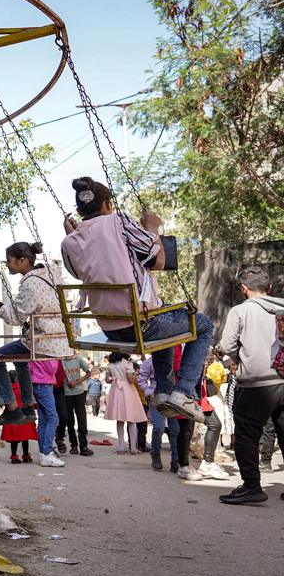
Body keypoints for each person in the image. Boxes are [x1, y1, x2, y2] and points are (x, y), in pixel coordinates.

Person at [61, 177, 215, 423]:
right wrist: (152, 228)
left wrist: (75, 234)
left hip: (111, 330)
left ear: (79, 212)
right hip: (142, 325)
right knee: (204, 325)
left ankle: (164, 392)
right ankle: (184, 392)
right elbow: (158, 261)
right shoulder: (118, 220)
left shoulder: (69, 242)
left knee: (164, 317)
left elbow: (81, 270)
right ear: (108, 205)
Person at [0, 242, 73, 426]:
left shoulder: (30, 284)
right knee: (20, 358)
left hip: (42, 341)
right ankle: (28, 406)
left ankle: (11, 406)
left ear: (23, 261)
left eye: (9, 261)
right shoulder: (51, 271)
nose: (7, 264)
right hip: (59, 339)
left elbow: (15, 318)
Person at [217, 266, 284, 504]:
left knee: (246, 434)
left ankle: (252, 486)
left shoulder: (240, 311)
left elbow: (227, 345)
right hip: (283, 379)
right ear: (270, 288)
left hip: (255, 382)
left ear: (244, 289)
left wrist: (239, 359)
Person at [139, 355, 180, 471]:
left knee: (174, 430)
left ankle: (175, 460)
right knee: (159, 427)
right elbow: (142, 379)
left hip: (173, 396)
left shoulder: (175, 358)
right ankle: (155, 454)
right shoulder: (149, 361)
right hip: (156, 396)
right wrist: (149, 393)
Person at [104, 352, 147, 454]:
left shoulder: (110, 365)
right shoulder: (127, 363)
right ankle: (133, 448)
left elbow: (107, 380)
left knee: (120, 419)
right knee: (131, 420)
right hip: (128, 391)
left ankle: (121, 447)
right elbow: (131, 380)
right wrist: (137, 375)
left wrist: (114, 379)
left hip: (116, 390)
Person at [30, 359, 64, 467]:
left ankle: (43, 452)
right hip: (44, 384)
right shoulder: (46, 351)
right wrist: (57, 359)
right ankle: (47, 452)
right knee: (53, 418)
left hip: (37, 383)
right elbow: (52, 368)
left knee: (44, 419)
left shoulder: (35, 348)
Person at [2, 371, 39, 463]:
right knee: (24, 438)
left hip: (11, 415)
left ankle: (14, 456)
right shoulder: (23, 389)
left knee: (13, 439)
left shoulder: (7, 391)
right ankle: (26, 456)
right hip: (23, 415)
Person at [62, 355, 94, 455]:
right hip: (66, 394)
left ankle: (84, 446)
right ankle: (74, 445)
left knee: (82, 420)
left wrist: (77, 382)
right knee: (69, 421)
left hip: (79, 393)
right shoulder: (61, 361)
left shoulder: (78, 359)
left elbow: (89, 373)